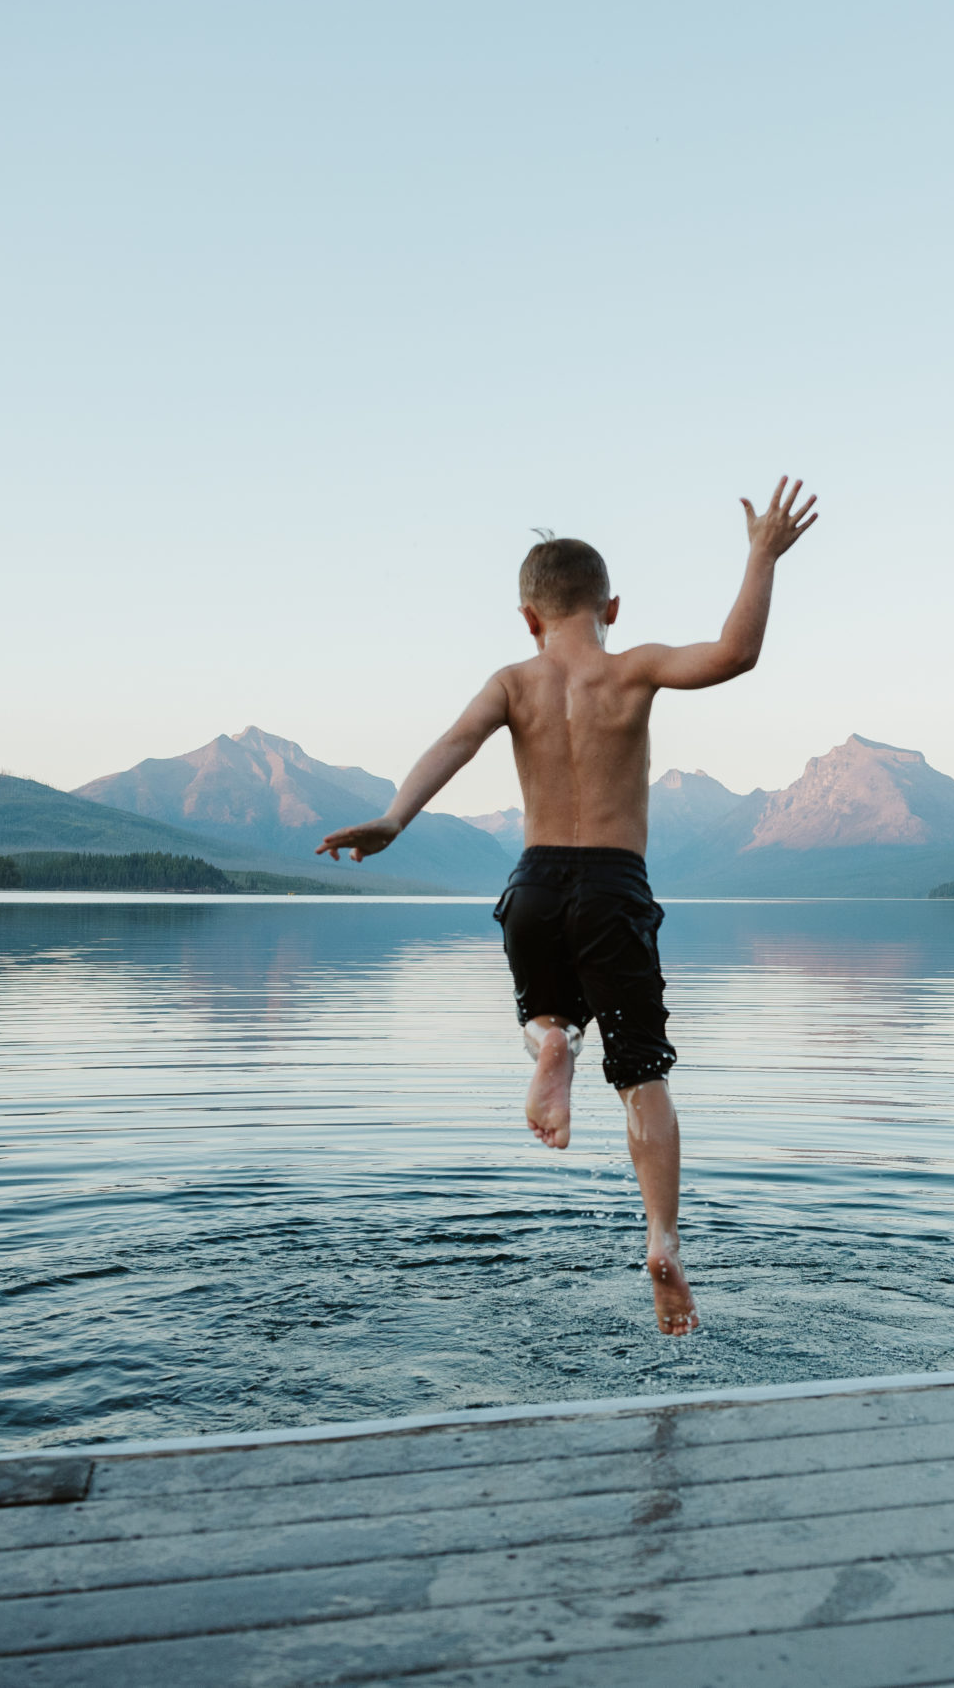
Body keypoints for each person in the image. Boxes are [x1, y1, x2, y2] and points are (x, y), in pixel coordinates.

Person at [315, 478, 820, 1335]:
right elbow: (736, 652)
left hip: (536, 885)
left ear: (527, 617)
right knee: (643, 1081)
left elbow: (454, 743)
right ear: (610, 606)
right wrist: (761, 556)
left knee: (546, 1017)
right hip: (615, 886)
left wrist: (396, 817)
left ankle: (550, 1040)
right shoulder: (635, 669)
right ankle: (661, 1237)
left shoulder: (513, 680)